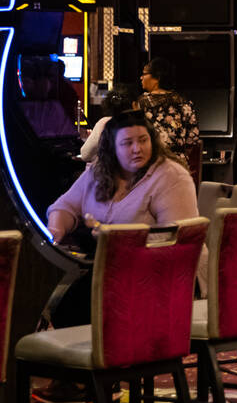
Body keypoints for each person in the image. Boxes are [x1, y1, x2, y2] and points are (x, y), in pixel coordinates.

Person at [46, 111, 199, 329]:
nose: (137, 149)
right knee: (63, 305)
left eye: (143, 140)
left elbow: (177, 239)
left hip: (159, 275)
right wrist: (57, 228)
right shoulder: (100, 172)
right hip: (112, 269)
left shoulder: (171, 176)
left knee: (73, 308)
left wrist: (119, 240)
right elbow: (65, 205)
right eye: (127, 143)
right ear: (111, 149)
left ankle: (108, 357)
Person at [137, 57, 200, 156]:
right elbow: (192, 139)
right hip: (179, 164)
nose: (141, 77)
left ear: (157, 77)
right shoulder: (184, 102)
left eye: (144, 74)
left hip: (153, 163)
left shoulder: (141, 103)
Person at [80, 88, 135, 162]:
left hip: (107, 172)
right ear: (133, 104)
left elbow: (85, 155)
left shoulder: (104, 123)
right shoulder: (140, 124)